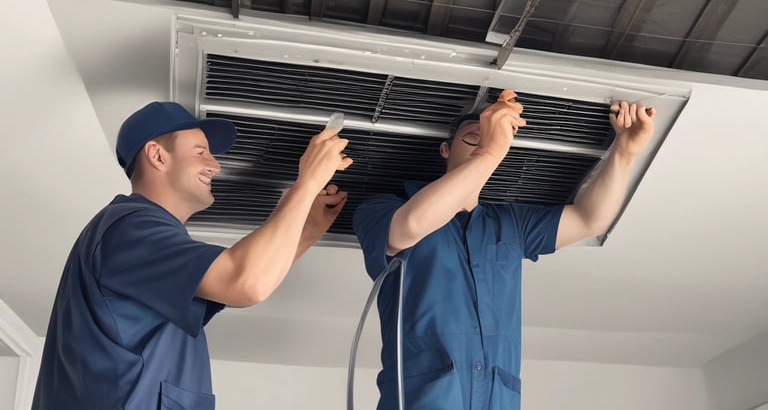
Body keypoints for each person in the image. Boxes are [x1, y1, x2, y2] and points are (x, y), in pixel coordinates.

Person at [32, 101, 353, 409]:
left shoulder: (138, 238)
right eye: (201, 152)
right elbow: (245, 281)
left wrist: (305, 229)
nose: (215, 165)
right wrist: (307, 183)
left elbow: (246, 279)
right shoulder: (129, 228)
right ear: (157, 155)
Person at [353, 89, 656, 410]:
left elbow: (589, 219)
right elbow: (409, 227)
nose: (485, 143)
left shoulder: (509, 224)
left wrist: (624, 152)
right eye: (473, 138)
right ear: (445, 149)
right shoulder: (383, 207)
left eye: (493, 139)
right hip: (423, 399)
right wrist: (490, 152)